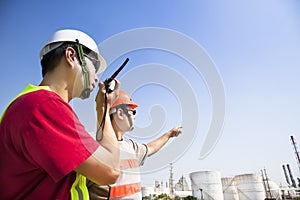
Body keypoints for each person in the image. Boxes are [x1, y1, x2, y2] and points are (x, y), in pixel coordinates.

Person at [0, 29, 121, 200]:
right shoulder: (44, 107)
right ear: (71, 56)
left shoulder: (30, 104)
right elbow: (110, 170)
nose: (96, 77)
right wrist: (103, 109)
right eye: (94, 66)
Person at [88, 90, 182, 200]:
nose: (134, 116)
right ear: (120, 113)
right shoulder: (91, 144)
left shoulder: (130, 146)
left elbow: (150, 148)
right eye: (133, 112)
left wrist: (168, 135)